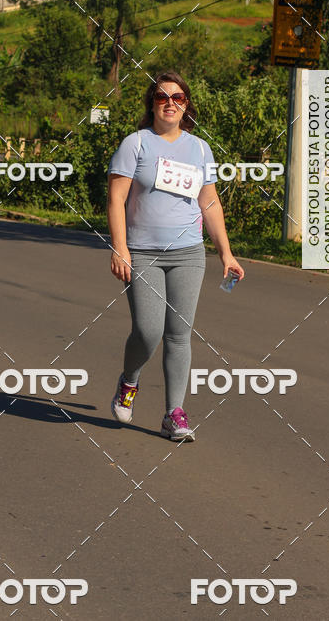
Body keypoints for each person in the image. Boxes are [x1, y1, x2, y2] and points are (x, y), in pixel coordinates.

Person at [107, 70, 244, 441]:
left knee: (179, 334)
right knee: (148, 331)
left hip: (189, 253)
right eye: (162, 97)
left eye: (178, 98)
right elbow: (116, 199)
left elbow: (210, 202)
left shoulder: (199, 149)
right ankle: (129, 380)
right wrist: (120, 248)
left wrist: (226, 254)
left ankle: (174, 413)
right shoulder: (136, 144)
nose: (170, 103)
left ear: (186, 105)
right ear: (152, 104)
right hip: (143, 251)